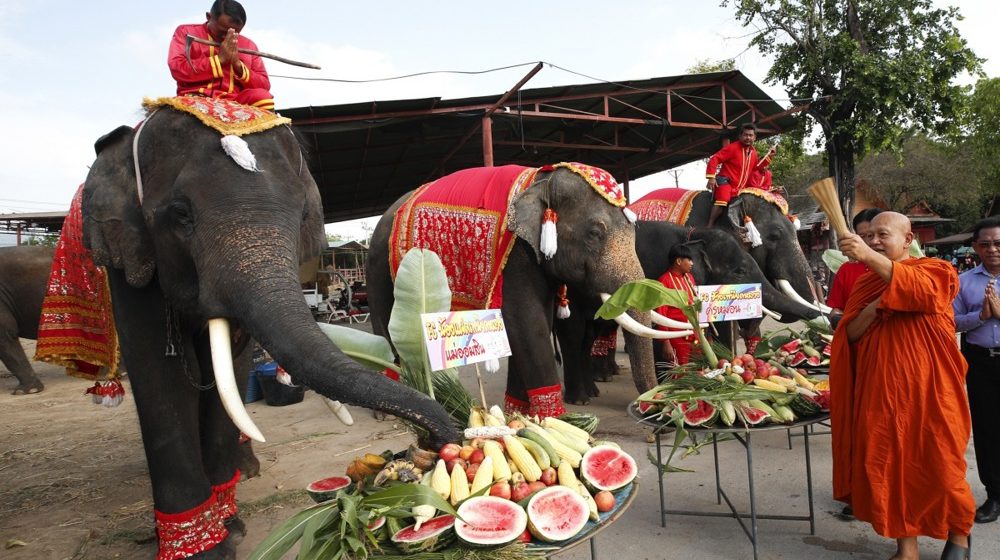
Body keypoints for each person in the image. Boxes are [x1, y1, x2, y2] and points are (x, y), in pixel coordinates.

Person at [831, 212, 974, 560]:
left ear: (908, 240)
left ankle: (959, 537)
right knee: (889, 467)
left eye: (883, 235)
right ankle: (906, 548)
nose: (875, 241)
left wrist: (868, 257)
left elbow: (922, 294)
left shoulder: (937, 271)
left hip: (931, 391)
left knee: (943, 467)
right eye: (869, 236)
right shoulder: (866, 285)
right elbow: (848, 334)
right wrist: (880, 306)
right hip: (880, 390)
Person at [954, 216, 1000, 524]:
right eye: (985, 244)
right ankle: (994, 495)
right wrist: (980, 315)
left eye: (998, 243)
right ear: (975, 247)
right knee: (987, 430)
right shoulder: (963, 281)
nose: (993, 249)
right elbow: (952, 321)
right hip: (981, 360)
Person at [167, 0, 274, 111]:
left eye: (235, 33)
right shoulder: (186, 32)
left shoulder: (249, 45)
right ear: (209, 17)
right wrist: (219, 60)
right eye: (223, 31)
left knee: (263, 97)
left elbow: (264, 85)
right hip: (196, 95)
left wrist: (238, 65)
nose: (228, 37)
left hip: (235, 100)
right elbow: (177, 68)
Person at [704, 123, 775, 228]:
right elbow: (715, 159)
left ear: (754, 137)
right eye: (745, 135)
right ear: (740, 136)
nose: (748, 138)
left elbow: (756, 168)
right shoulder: (732, 148)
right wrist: (711, 177)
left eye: (751, 135)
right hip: (725, 181)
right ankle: (710, 224)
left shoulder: (753, 152)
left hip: (740, 187)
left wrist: (769, 157)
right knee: (723, 200)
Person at [826, 208, 884, 326]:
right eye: (863, 236)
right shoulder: (847, 269)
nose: (871, 241)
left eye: (880, 235)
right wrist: (839, 321)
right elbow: (836, 310)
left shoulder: (907, 267)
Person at [655, 244, 698, 366]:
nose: (692, 263)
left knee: (698, 372)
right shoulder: (664, 281)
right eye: (689, 260)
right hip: (676, 338)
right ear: (678, 261)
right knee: (680, 374)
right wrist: (666, 342)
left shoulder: (689, 278)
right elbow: (661, 314)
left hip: (694, 335)